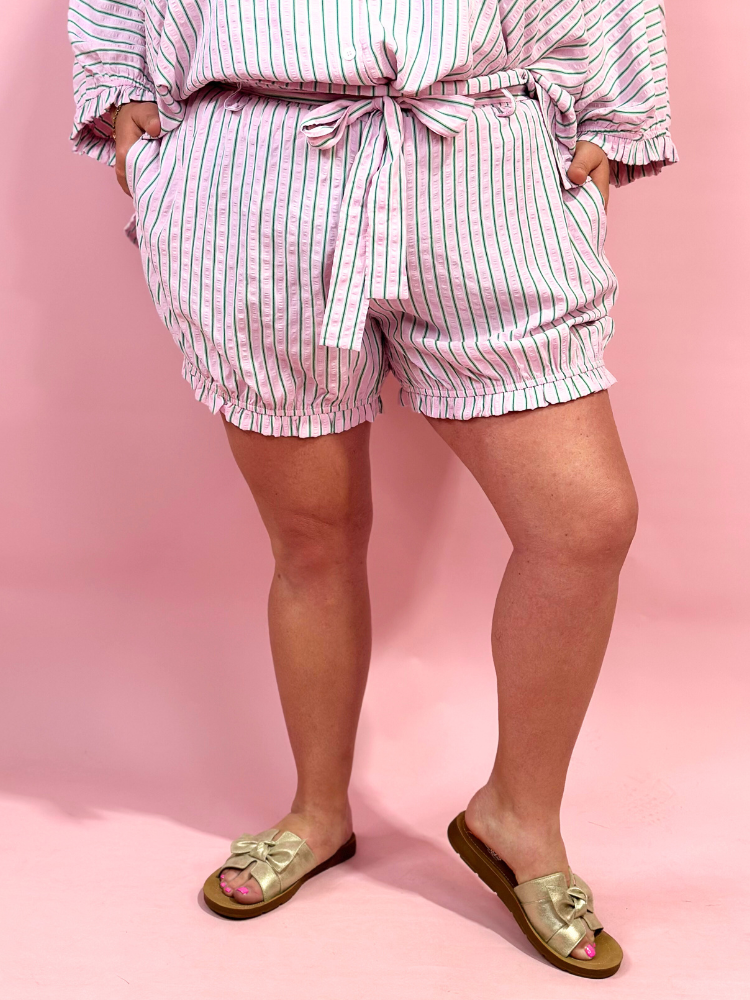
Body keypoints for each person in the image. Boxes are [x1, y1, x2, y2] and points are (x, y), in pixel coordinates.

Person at [69, 0, 676, 978]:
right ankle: (317, 812)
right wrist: (124, 97)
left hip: (478, 164)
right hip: (254, 173)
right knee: (312, 537)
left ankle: (518, 817)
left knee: (585, 521)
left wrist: (614, 116)